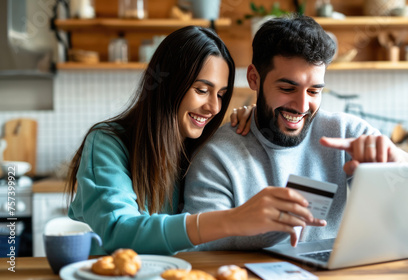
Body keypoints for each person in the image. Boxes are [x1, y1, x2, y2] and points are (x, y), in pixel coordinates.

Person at [65, 26, 324, 255]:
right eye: (202, 90)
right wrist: (232, 220)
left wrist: (255, 119)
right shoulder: (107, 142)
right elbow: (118, 231)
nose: (213, 107)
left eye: (221, 95)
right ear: (168, 85)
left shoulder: (198, 146)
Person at [183, 15, 408, 251]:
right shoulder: (217, 155)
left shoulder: (347, 133)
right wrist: (273, 226)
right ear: (254, 78)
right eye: (287, 88)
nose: (302, 106)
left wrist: (400, 162)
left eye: (314, 91)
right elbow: (201, 246)